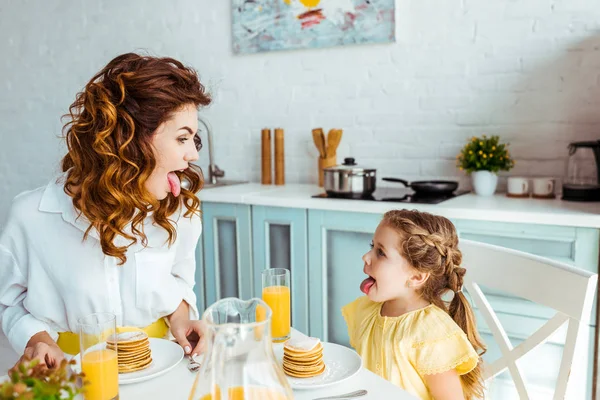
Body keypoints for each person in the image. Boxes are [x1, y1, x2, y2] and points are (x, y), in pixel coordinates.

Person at [0, 52, 211, 371]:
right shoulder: (30, 215)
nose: (193, 154)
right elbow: (10, 303)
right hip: (73, 373)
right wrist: (38, 341)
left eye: (194, 139)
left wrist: (183, 320)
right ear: (130, 139)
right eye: (182, 137)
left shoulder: (180, 209)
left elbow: (179, 282)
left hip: (160, 367)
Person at [342, 209, 486, 400]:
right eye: (372, 246)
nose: (366, 257)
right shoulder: (368, 311)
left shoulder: (431, 333)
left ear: (417, 276)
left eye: (381, 252)